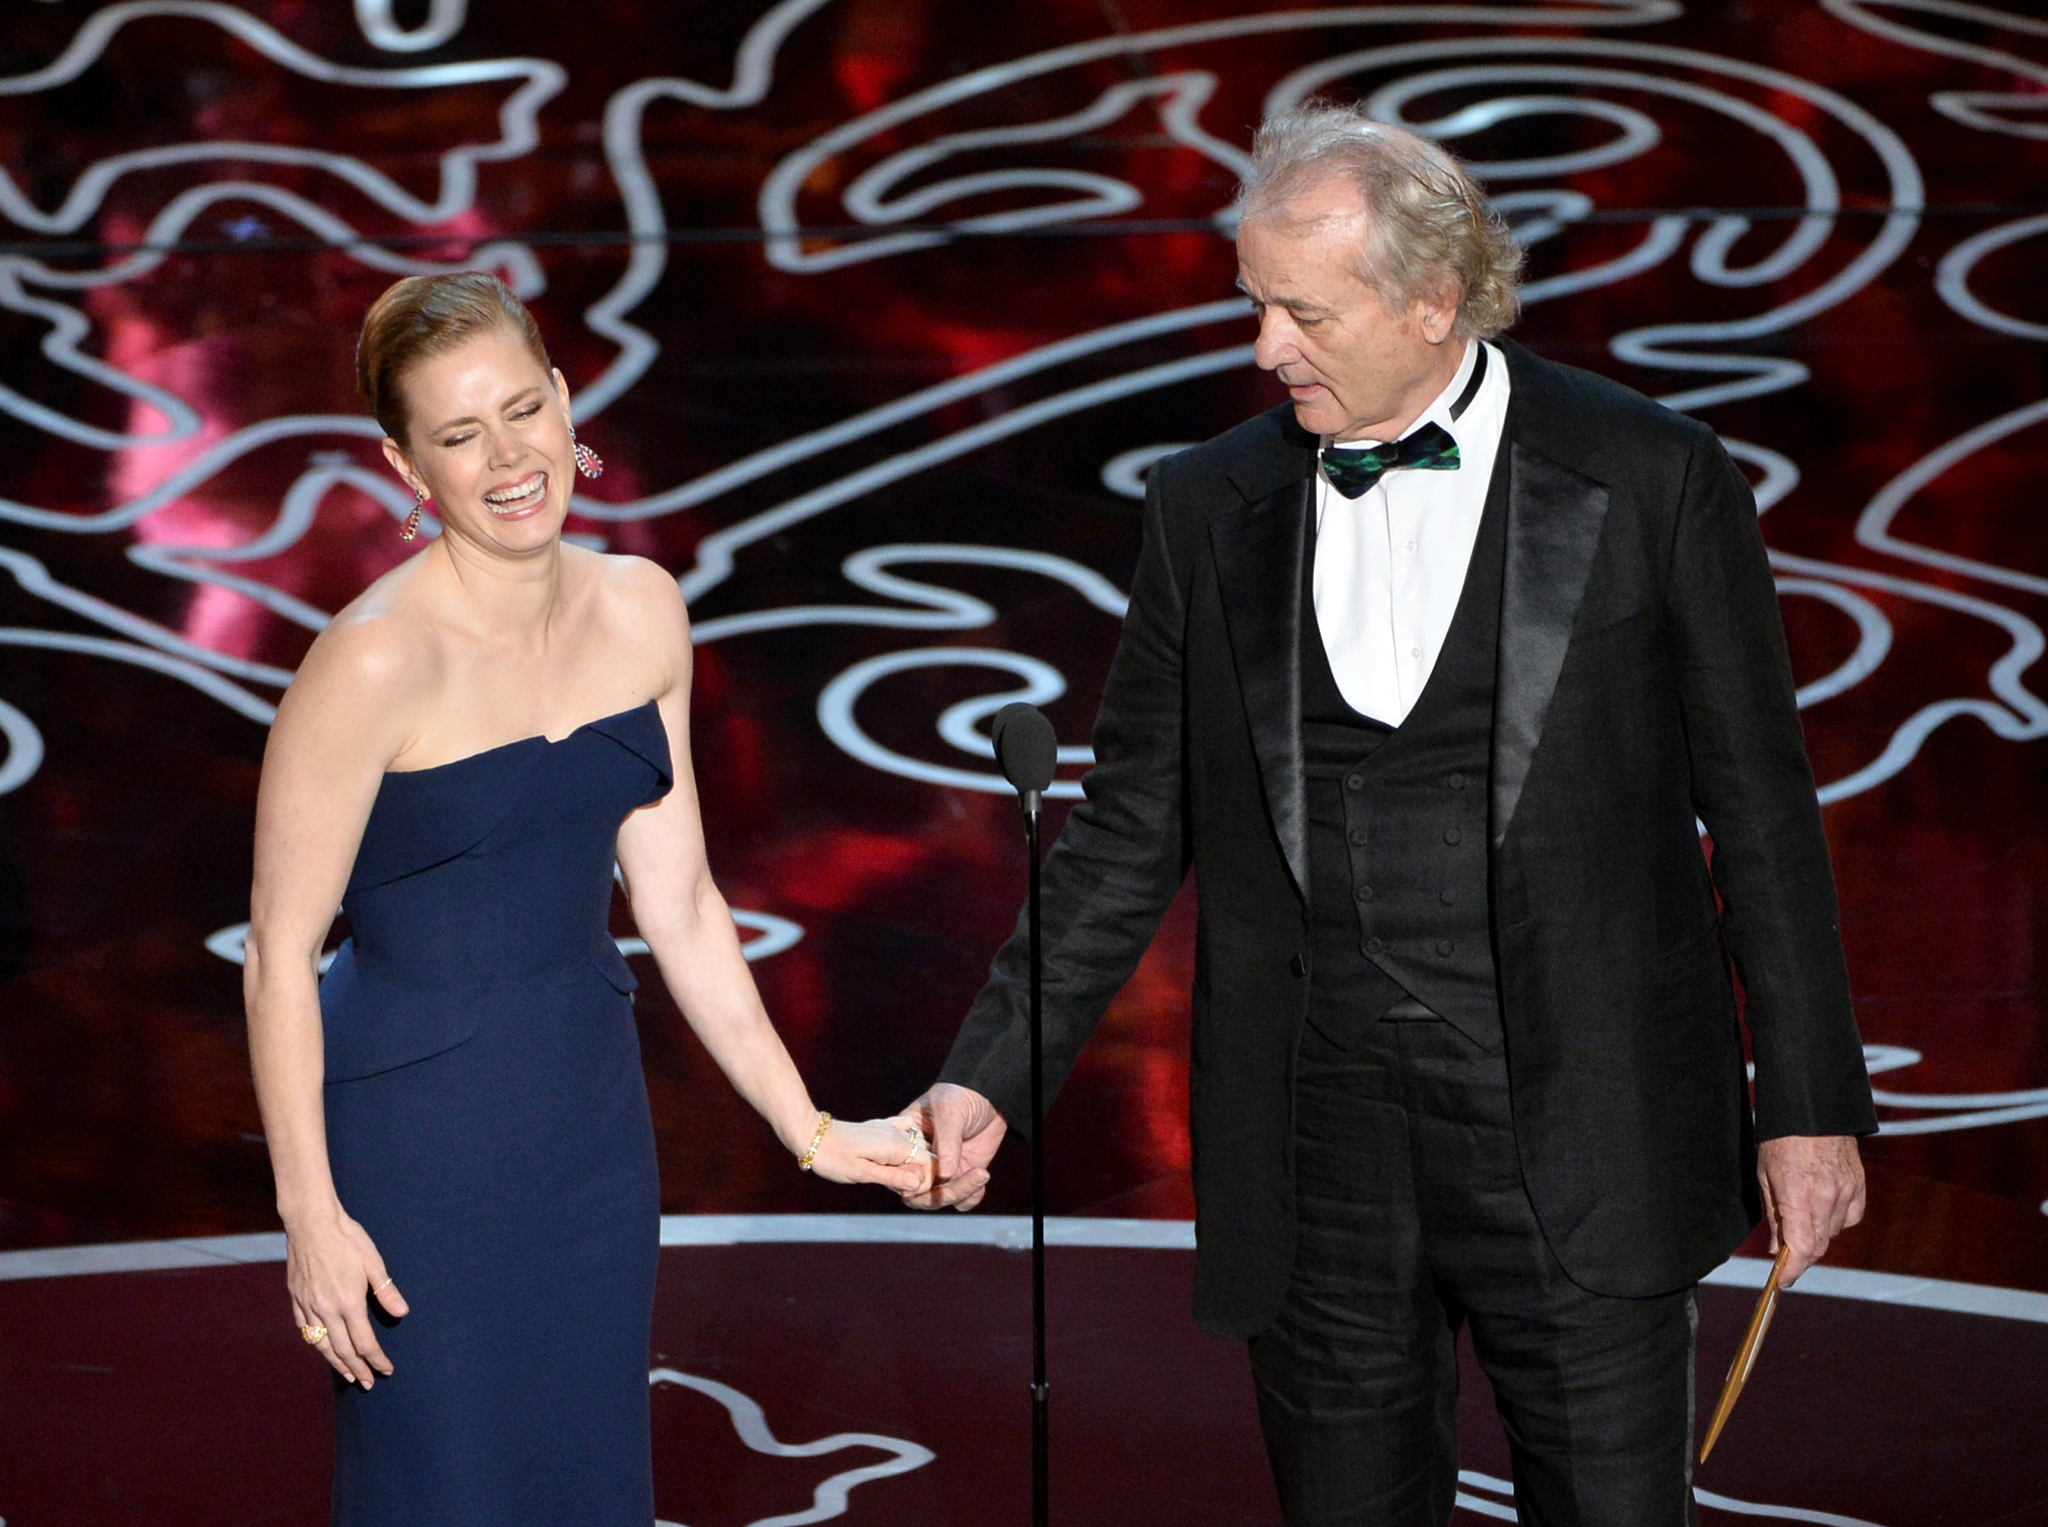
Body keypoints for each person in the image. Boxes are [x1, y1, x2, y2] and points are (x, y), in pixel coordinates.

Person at [900, 104, 1878, 1525]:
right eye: (1254, 305)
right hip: (1316, 1153)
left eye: (1304, 311)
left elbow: (1765, 812)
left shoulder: (1653, 473)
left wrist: (1806, 1104)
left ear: (1435, 298)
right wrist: (990, 1071)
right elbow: (1126, 830)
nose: (1263, 349)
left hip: (1583, 1130)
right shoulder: (1209, 503)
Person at [243, 271, 929, 1526]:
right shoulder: (373, 660)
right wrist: (312, 1220)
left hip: (587, 1119)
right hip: (417, 1141)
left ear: (567, 402)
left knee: (582, 1476)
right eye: (460, 435)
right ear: (408, 468)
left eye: (522, 411)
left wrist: (812, 1131)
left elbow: (682, 911)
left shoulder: (642, 610)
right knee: (444, 1483)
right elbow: (278, 954)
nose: (508, 458)